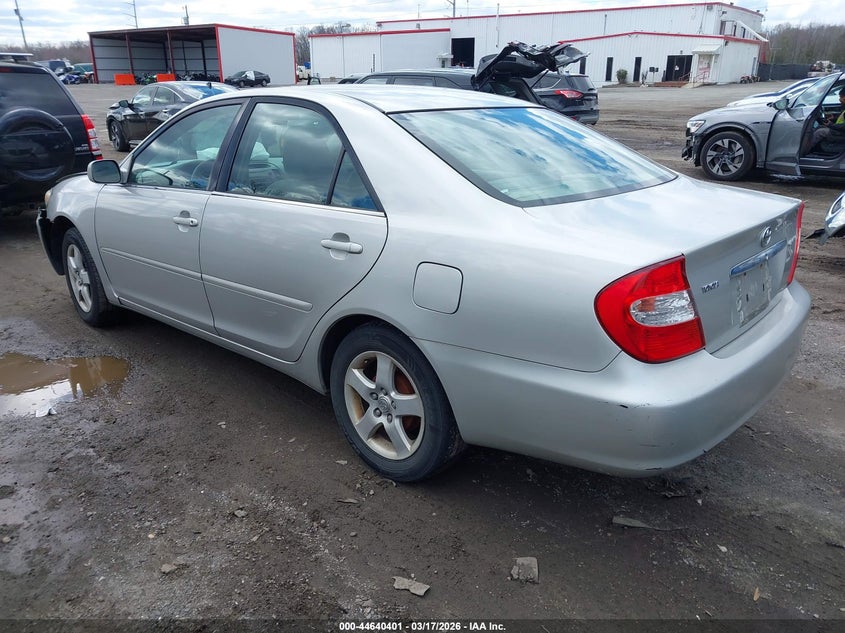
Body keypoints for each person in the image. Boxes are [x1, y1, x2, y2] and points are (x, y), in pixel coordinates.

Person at [809, 86, 845, 153]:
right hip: (840, 131)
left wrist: (831, 125)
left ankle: (805, 151)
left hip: (842, 134)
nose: (839, 99)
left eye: (841, 97)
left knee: (820, 132)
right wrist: (834, 118)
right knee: (820, 127)